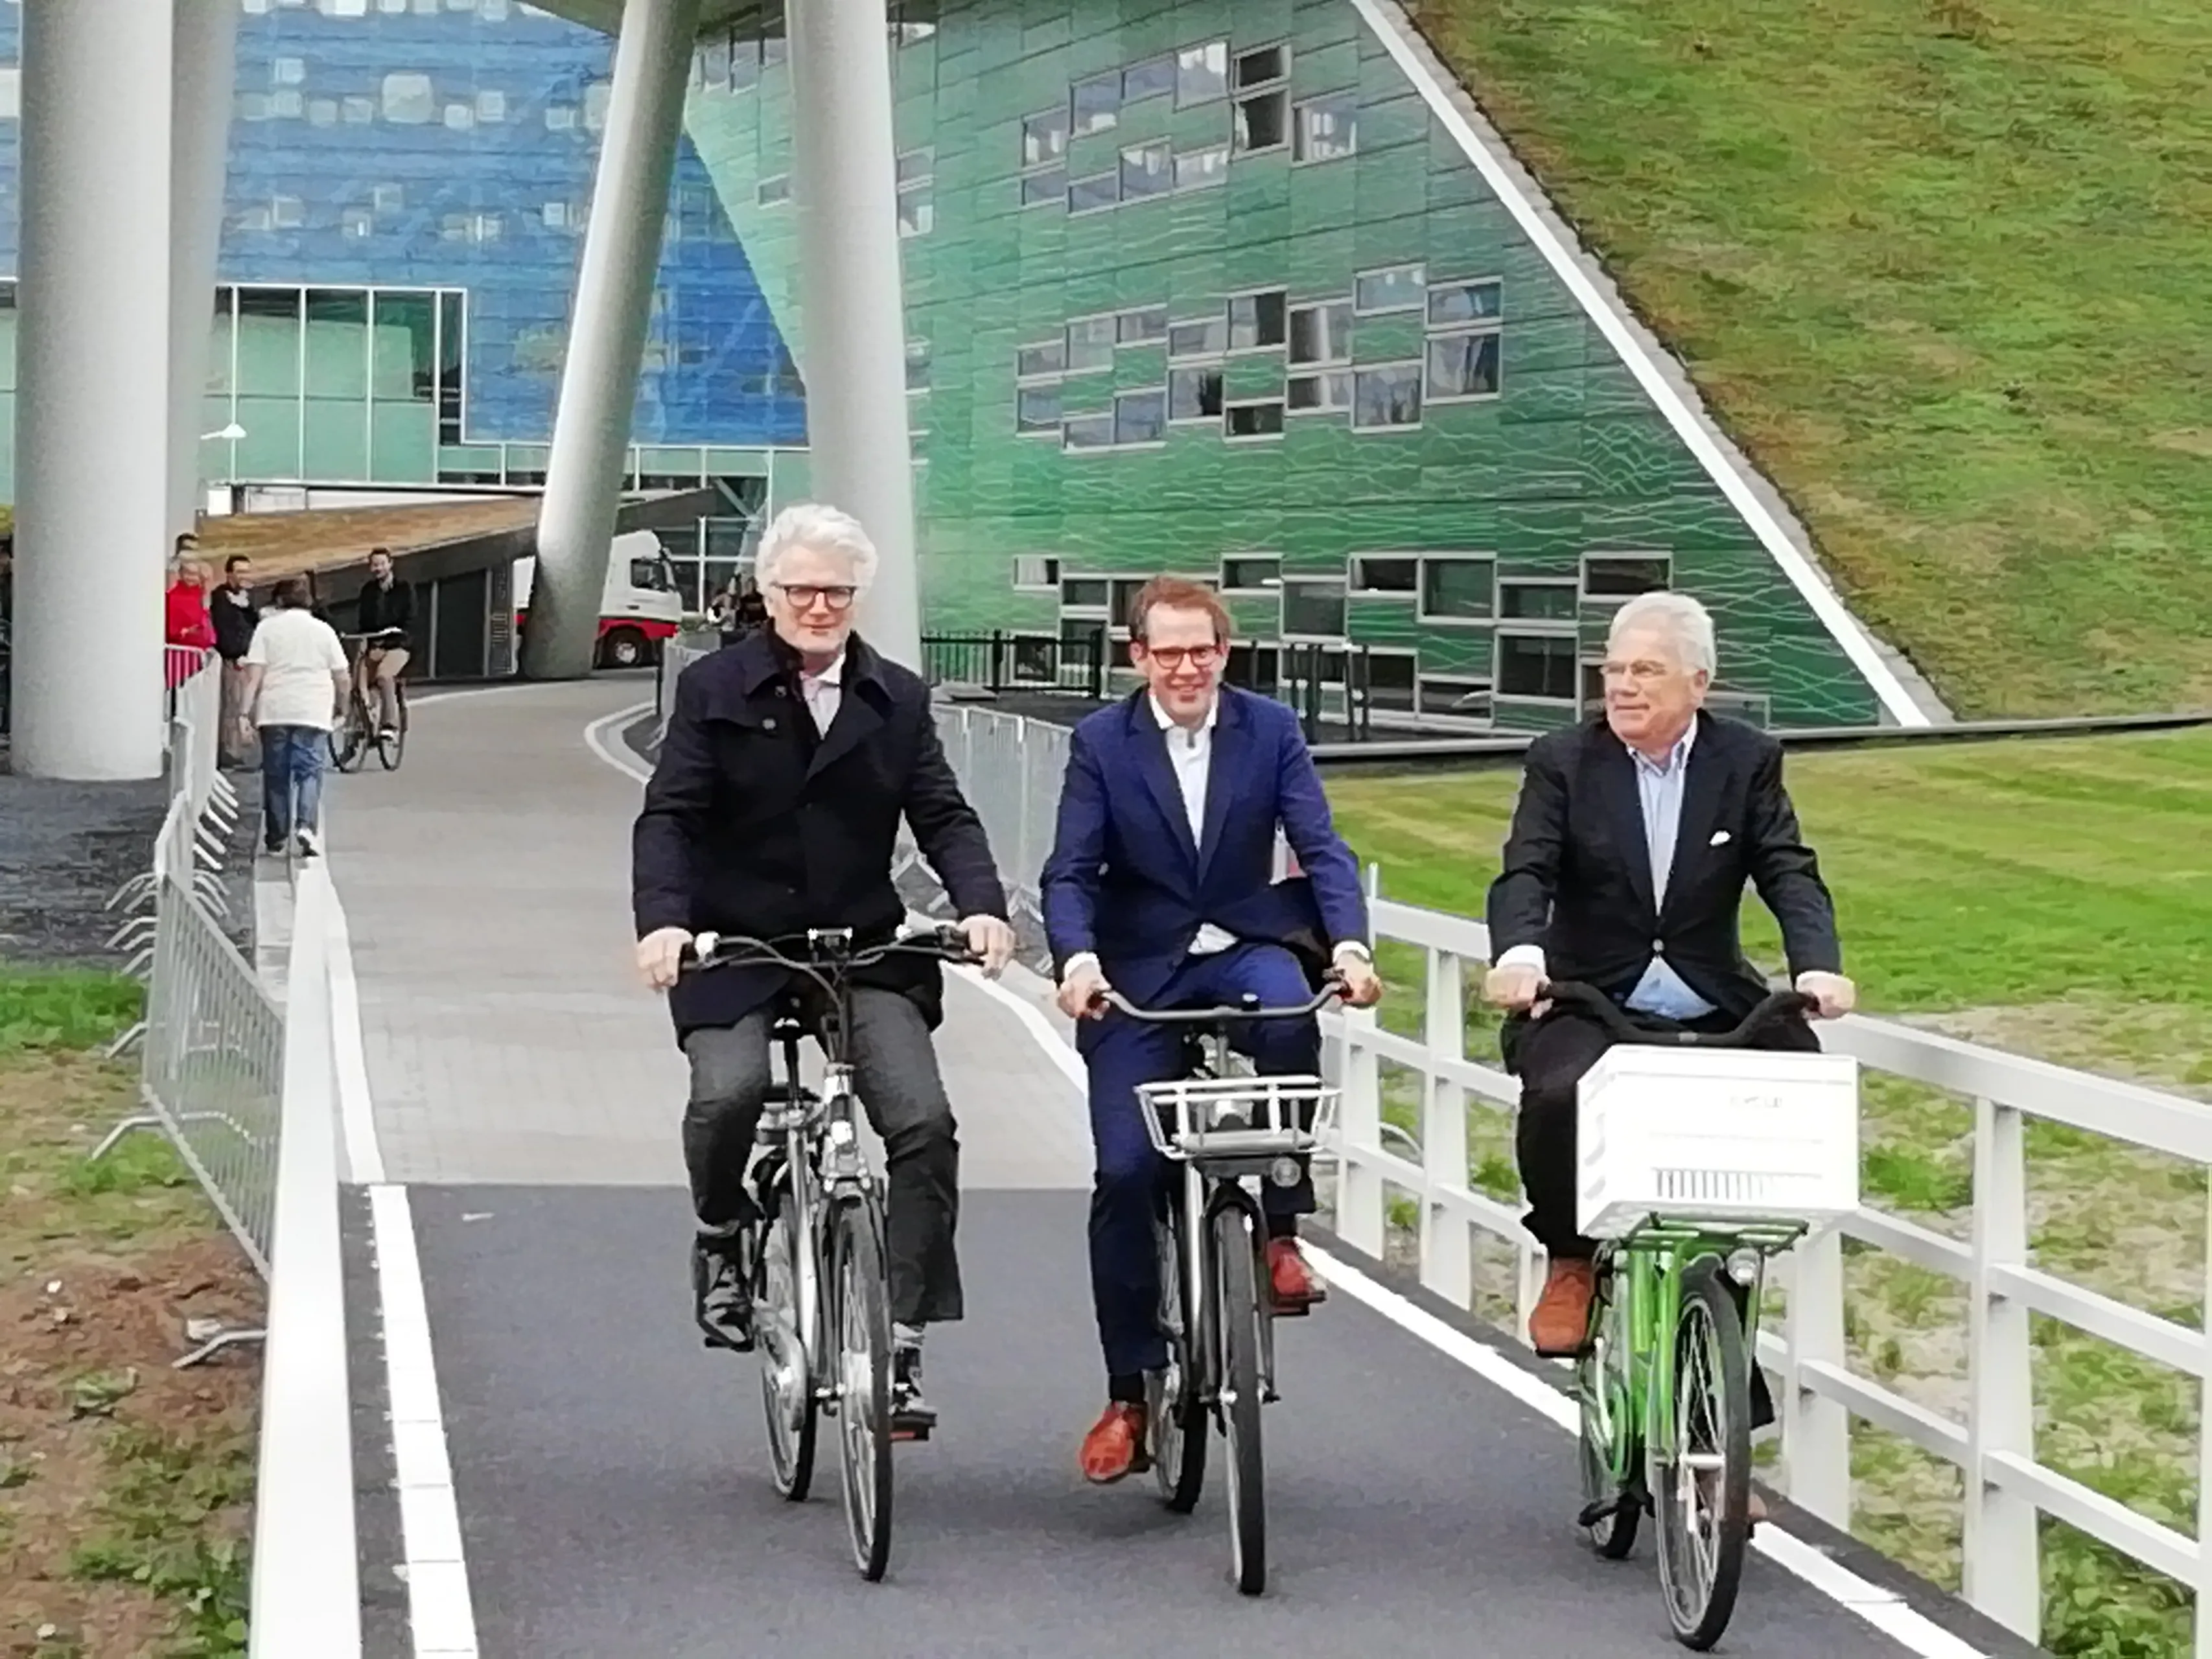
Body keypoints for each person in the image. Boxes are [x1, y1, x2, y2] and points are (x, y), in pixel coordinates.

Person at [632, 502, 1016, 1438]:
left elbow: (942, 814)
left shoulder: (896, 697)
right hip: (737, 944)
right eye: (801, 590)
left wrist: (981, 905)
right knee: (728, 1093)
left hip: (860, 947)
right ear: (768, 594)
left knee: (923, 1124)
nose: (818, 607)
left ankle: (904, 1335)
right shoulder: (715, 687)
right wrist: (665, 923)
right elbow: (671, 815)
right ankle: (720, 1232)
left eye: (836, 592)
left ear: (857, 597)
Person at [1482, 590, 1854, 1505]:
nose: (1621, 685)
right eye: (1612, 668)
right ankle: (1569, 1256)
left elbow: (1786, 868)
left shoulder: (1745, 760)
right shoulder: (1563, 759)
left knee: (1771, 1120)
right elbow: (1526, 867)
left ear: (1699, 681)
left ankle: (1715, 1416)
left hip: (1707, 996)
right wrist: (1521, 955)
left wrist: (1816, 966)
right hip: (1589, 996)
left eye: (1644, 669)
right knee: (1557, 1094)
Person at [1040, 575, 1383, 1485]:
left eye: (1204, 650)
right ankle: (1129, 1394)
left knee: (1287, 1013)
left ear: (1224, 653)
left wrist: (1349, 947)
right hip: (1138, 964)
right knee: (1125, 1173)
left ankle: (1279, 1231)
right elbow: (1070, 871)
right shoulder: (1100, 741)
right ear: (1138, 657)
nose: (1187, 667)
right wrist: (1078, 963)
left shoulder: (1269, 729)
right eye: (1169, 652)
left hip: (1244, 940)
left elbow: (1320, 846)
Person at [240, 576, 349, 859]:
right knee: (309, 772)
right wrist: (343, 707)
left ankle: (276, 838)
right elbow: (342, 676)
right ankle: (306, 826)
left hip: (275, 709)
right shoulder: (323, 631)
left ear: (279, 601)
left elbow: (253, 676)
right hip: (313, 708)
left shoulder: (266, 629)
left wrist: (244, 713)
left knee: (276, 774)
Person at [353, 548, 413, 739]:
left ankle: (390, 725)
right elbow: (364, 622)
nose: (378, 568)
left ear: (390, 564)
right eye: (374, 565)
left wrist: (397, 632)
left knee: (384, 676)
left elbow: (411, 618)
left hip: (398, 644)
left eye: (381, 564)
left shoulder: (404, 588)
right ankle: (362, 724)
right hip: (376, 644)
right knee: (359, 680)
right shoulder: (368, 591)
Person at [209, 555, 260, 769]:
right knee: (233, 704)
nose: (244, 576)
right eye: (240, 572)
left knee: (247, 704)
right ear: (229, 574)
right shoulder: (222, 598)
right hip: (233, 658)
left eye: (247, 571)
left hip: (249, 658)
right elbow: (225, 629)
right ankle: (228, 751)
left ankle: (243, 750)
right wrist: (236, 653)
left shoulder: (247, 598)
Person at [164, 546, 216, 653]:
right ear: (180, 573)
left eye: (196, 574)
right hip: (181, 651)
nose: (192, 578)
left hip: (202, 651)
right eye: (188, 573)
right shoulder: (172, 596)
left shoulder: (202, 595)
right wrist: (186, 631)